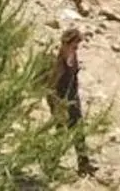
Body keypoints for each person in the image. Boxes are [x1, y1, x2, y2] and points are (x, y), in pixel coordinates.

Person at [49, 24, 94, 177]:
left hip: (73, 98)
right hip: (61, 99)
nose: (76, 49)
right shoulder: (59, 61)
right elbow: (52, 84)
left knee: (78, 129)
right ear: (65, 44)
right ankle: (51, 163)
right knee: (61, 131)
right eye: (74, 46)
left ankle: (84, 163)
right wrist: (56, 103)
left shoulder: (73, 56)